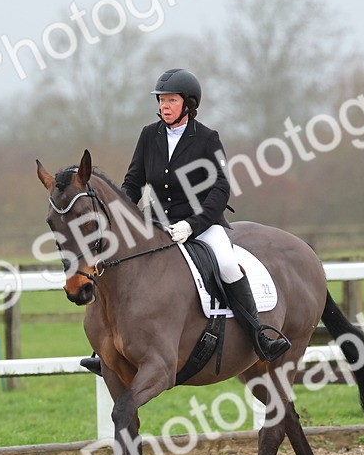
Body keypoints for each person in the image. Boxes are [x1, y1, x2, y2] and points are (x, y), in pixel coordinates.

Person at [80, 68, 290, 377]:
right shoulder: (149, 135)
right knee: (117, 264)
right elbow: (133, 182)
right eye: (161, 100)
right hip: (156, 224)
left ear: (188, 104)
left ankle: (259, 334)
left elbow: (221, 188)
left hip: (202, 223)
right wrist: (121, 216)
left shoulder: (207, 139)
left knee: (228, 265)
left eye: (171, 101)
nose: (164, 106)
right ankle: (106, 347)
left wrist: (194, 225)